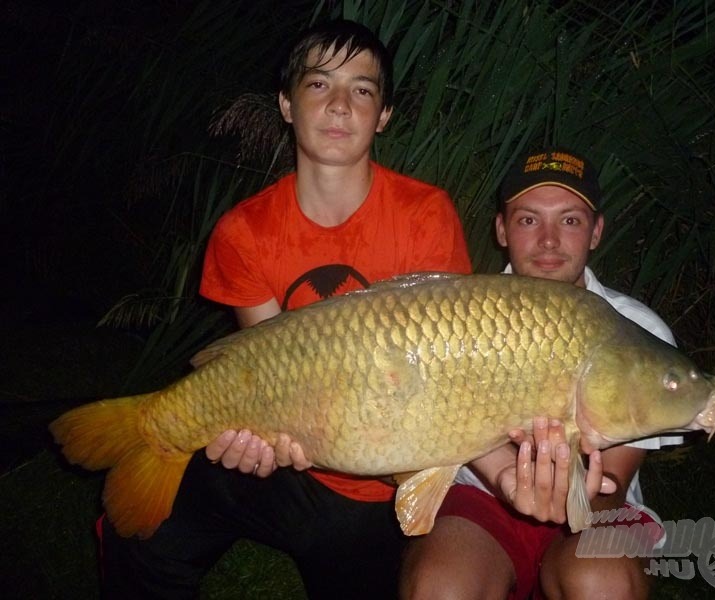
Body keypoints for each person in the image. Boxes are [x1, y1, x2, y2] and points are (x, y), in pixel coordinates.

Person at [98, 19, 471, 600]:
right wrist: (260, 434)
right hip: (288, 453)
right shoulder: (243, 231)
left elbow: (434, 378)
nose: (341, 105)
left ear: (384, 115)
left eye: (363, 89)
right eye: (319, 85)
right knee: (143, 541)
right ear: (287, 104)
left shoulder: (425, 213)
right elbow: (271, 367)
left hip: (372, 483)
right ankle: (153, 438)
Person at [399, 147, 682, 600]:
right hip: (481, 498)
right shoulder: (455, 317)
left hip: (595, 505)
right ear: (501, 229)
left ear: (596, 232)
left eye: (569, 220)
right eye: (529, 219)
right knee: (441, 589)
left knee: (600, 579)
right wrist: (506, 480)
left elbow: (610, 482)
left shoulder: (637, 330)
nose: (549, 240)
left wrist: (568, 495)